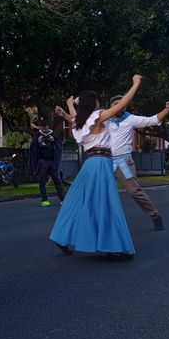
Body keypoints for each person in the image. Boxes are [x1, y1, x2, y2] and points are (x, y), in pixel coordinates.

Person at [50, 75, 142, 257]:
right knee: (105, 202)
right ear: (94, 103)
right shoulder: (97, 116)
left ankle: (62, 236)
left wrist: (68, 106)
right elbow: (121, 105)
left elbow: (75, 120)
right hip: (101, 162)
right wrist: (136, 84)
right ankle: (111, 245)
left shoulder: (80, 122)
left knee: (77, 201)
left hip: (89, 164)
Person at [106, 96, 169, 230]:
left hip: (123, 161)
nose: (120, 105)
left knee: (134, 191)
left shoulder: (131, 119)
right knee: (102, 192)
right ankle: (106, 225)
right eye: (116, 103)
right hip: (105, 161)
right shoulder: (104, 119)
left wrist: (167, 110)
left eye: (122, 103)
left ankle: (154, 216)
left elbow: (153, 120)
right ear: (111, 106)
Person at [28, 118, 65, 207]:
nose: (45, 130)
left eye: (46, 128)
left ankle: (63, 199)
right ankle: (44, 200)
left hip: (52, 161)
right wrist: (38, 142)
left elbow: (59, 145)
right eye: (43, 129)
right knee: (42, 181)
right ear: (40, 127)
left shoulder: (53, 134)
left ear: (48, 127)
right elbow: (32, 148)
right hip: (42, 161)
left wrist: (54, 141)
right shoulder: (37, 135)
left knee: (57, 180)